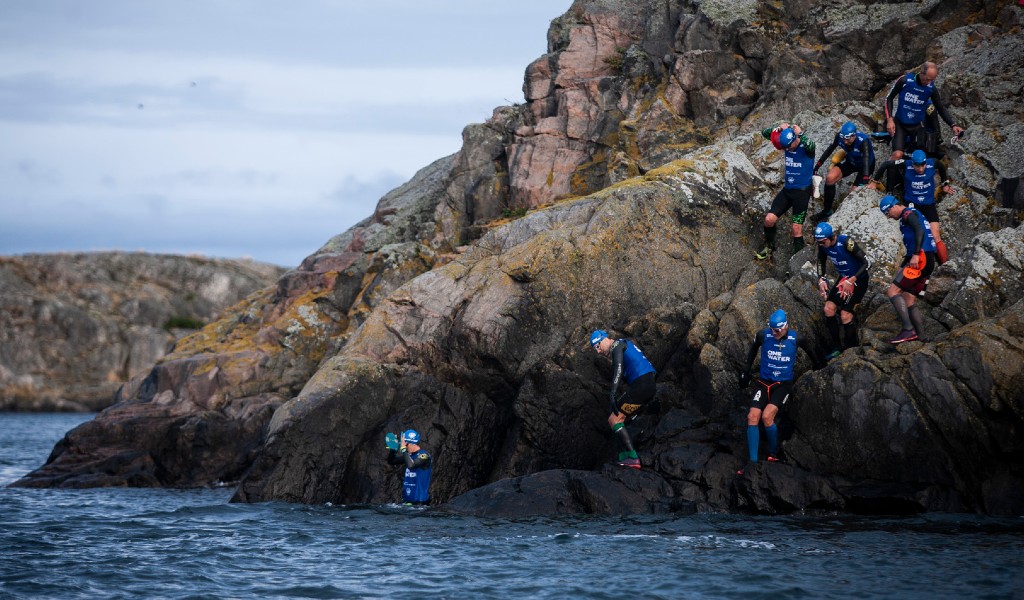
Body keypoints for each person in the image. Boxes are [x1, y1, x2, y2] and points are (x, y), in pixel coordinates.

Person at [737, 309, 819, 474]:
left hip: (782, 386)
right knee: (752, 416)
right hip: (764, 383)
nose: (774, 333)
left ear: (785, 326)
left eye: (777, 330)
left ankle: (773, 453)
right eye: (772, 329)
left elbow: (813, 353)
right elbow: (753, 350)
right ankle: (752, 463)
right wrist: (745, 371)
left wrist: (819, 366)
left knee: (767, 416)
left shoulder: (797, 338)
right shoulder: (763, 335)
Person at [870, 149, 954, 264]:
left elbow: (942, 167)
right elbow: (886, 164)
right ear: (912, 163)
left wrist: (945, 184)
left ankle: (945, 265)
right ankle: (914, 262)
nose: (920, 169)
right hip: (912, 204)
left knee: (936, 236)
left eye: (923, 166)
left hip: (929, 204)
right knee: (913, 233)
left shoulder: (932, 162)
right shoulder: (906, 164)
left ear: (926, 162)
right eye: (917, 166)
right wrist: (874, 181)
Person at [590, 330, 656, 469]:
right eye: (595, 349)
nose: (598, 351)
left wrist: (613, 392)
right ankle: (623, 457)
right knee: (616, 418)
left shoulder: (617, 346)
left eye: (597, 346)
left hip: (642, 385)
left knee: (614, 419)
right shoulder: (625, 343)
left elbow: (617, 369)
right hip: (648, 385)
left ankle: (633, 458)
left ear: (603, 339)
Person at [879, 195, 938, 344]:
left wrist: (916, 255)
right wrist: (902, 265)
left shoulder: (907, 213)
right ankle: (921, 337)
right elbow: (913, 244)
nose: (889, 217)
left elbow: (920, 231)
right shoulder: (911, 215)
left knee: (892, 291)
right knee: (909, 298)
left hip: (921, 259)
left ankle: (908, 330)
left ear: (892, 207)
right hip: (928, 259)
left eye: (887, 213)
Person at [756, 122, 817, 260]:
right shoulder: (786, 143)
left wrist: (800, 133)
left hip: (802, 193)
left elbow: (812, 145)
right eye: (785, 148)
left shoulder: (806, 147)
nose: (787, 149)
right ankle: (769, 246)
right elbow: (764, 133)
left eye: (789, 146)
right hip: (788, 190)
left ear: (795, 140)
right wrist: (777, 128)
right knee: (769, 219)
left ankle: (796, 262)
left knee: (796, 229)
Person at [813, 222, 871, 360]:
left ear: (831, 237)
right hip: (843, 279)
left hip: (858, 280)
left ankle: (851, 350)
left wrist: (851, 280)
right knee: (828, 309)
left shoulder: (846, 242)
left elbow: (867, 263)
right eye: (818, 242)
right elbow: (820, 261)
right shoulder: (823, 245)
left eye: (822, 241)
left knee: (845, 314)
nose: (820, 244)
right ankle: (837, 348)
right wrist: (821, 279)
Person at [884, 61, 964, 161]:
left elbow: (940, 107)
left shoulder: (931, 88)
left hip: (918, 126)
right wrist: (889, 119)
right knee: (897, 155)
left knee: (921, 158)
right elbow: (889, 98)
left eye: (932, 80)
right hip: (901, 123)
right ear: (921, 73)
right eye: (927, 79)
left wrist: (953, 125)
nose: (928, 82)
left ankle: (936, 139)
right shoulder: (905, 80)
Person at [810, 121, 875, 222]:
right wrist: (818, 165)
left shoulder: (863, 141)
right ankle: (827, 211)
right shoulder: (840, 137)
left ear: (854, 135)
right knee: (830, 178)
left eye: (848, 139)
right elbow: (830, 149)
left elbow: (866, 158)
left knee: (853, 194)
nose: (845, 141)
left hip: (865, 166)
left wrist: (866, 178)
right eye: (843, 138)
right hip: (851, 162)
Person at [385, 429, 432, 505]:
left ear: (410, 443)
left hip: (420, 502)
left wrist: (403, 450)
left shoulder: (424, 455)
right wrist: (393, 449)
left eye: (405, 445)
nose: (404, 447)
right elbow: (391, 461)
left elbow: (411, 465)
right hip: (407, 500)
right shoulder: (409, 456)